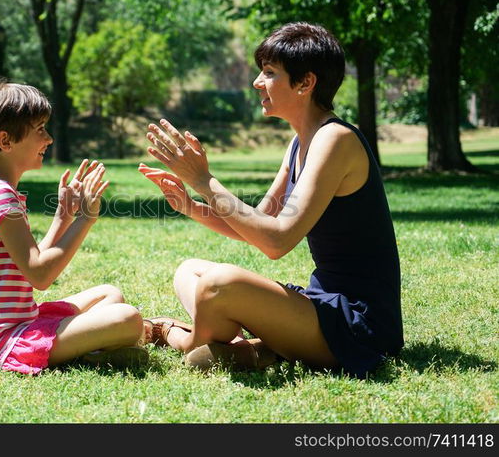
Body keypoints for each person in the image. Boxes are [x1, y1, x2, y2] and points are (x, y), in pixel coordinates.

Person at [140, 22, 403, 378]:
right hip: (318, 305)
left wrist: (205, 181)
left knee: (218, 284)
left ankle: (182, 337)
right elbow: (257, 223)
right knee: (190, 271)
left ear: (305, 83)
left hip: (358, 325)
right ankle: (254, 350)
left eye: (269, 72)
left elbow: (277, 240)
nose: (256, 82)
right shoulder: (299, 143)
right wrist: (189, 204)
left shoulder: (335, 139)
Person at [0, 81, 147, 375]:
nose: (49, 139)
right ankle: (87, 353)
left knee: (109, 295)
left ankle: (90, 348)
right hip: (4, 342)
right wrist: (86, 218)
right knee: (127, 318)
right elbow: (40, 274)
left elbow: (28, 264)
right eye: (40, 130)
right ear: (5, 141)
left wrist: (63, 216)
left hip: (17, 324)